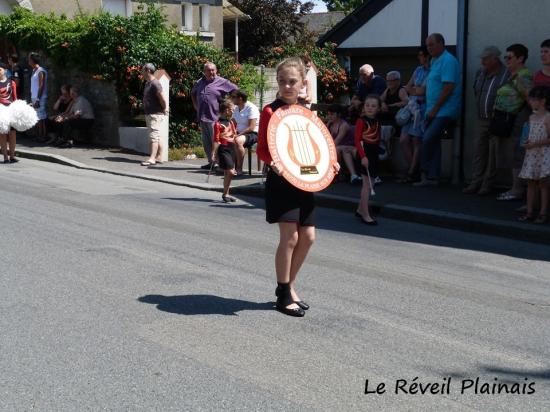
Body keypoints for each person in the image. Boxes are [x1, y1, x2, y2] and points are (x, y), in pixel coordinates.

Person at [257, 56, 340, 317]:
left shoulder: (305, 113)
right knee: (290, 237)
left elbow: (318, 146)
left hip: (303, 182)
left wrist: (330, 164)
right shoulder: (270, 111)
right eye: (282, 82)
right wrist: (273, 163)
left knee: (309, 237)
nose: (286, 86)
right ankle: (283, 293)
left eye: (292, 82)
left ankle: (289, 286)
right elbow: (262, 148)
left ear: (303, 83)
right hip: (281, 183)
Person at [414, 33, 461, 187]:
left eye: (432, 45)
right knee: (432, 141)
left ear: (441, 43)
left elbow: (448, 87)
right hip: (432, 109)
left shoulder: (448, 61)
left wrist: (435, 108)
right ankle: (433, 177)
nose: (429, 48)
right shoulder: (434, 60)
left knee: (427, 138)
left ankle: (424, 173)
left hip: (444, 110)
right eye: (427, 45)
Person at [463, 46, 510, 195]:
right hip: (480, 118)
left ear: (495, 59)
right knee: (479, 151)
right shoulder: (480, 73)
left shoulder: (506, 74)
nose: (482, 62)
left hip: (497, 120)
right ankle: (475, 182)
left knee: (493, 153)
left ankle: (486, 185)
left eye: (485, 59)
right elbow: (476, 90)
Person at [493, 44, 533, 201]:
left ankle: (517, 189)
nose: (506, 60)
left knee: (517, 154)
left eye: (510, 57)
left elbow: (530, 99)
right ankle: (515, 187)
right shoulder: (512, 75)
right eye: (505, 57)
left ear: (520, 58)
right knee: (511, 153)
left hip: (517, 120)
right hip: (507, 120)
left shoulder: (523, 76)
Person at [191, 62, 237, 169]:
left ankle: (221, 163)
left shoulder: (222, 82)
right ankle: (211, 162)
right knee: (206, 142)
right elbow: (193, 93)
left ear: (216, 71)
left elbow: (235, 90)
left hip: (215, 117)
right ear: (204, 71)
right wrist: (196, 106)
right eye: (209, 70)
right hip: (202, 116)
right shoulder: (200, 82)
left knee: (216, 141)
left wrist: (230, 105)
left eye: (213, 70)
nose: (211, 72)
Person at [517, 86, 550, 224]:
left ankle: (543, 212)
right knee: (530, 183)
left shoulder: (548, 117)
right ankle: (529, 211)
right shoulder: (531, 117)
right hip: (532, 152)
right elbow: (529, 134)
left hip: (543, 153)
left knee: (543, 184)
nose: (530, 102)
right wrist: (526, 142)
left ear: (542, 101)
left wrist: (535, 143)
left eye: (533, 99)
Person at [399, 46, 430, 182]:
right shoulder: (418, 70)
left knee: (416, 140)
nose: (419, 57)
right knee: (404, 139)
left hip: (422, 108)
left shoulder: (433, 71)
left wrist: (414, 90)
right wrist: (414, 90)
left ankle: (412, 172)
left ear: (427, 56)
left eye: (421, 55)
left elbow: (422, 92)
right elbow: (408, 87)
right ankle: (414, 169)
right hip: (412, 107)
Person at [354, 95, 381, 225]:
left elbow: (378, 138)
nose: (370, 108)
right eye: (367, 105)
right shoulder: (361, 121)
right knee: (367, 186)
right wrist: (363, 156)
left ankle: (360, 209)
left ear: (378, 108)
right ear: (364, 107)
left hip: (374, 154)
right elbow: (357, 140)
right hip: (365, 154)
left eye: (373, 106)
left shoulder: (377, 121)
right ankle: (365, 214)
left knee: (371, 183)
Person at [140, 63, 167, 166]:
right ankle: (159, 157)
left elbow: (163, 99)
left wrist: (164, 108)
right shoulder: (148, 83)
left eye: (143, 70)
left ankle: (152, 158)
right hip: (150, 113)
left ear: (148, 70)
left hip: (155, 114)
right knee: (157, 136)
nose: (141, 72)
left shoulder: (155, 83)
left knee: (153, 136)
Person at [326, 104, 361, 184]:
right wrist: (327, 125)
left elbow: (336, 141)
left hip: (351, 146)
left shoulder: (343, 125)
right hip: (342, 147)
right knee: (337, 150)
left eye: (332, 114)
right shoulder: (331, 124)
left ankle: (338, 174)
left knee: (336, 149)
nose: (329, 116)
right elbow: (328, 139)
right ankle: (340, 175)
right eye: (328, 114)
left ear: (338, 114)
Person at [212, 99, 238, 202]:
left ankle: (226, 194)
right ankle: (225, 193)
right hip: (223, 148)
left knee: (228, 173)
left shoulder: (231, 122)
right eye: (232, 109)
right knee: (230, 172)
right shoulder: (218, 124)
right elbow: (216, 139)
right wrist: (214, 153)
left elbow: (234, 134)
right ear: (227, 110)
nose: (233, 111)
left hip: (231, 148)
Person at [230, 89, 259, 175]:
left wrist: (237, 135)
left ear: (240, 98)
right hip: (239, 133)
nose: (232, 99)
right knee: (224, 139)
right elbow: (233, 123)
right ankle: (227, 167)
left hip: (253, 133)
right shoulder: (236, 108)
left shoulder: (251, 108)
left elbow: (251, 127)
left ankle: (239, 169)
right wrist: (229, 133)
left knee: (238, 141)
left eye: (234, 97)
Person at [0, 62, 18, 163]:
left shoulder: (12, 83)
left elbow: (15, 98)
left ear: (5, 71)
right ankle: (5, 157)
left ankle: (12, 156)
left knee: (12, 134)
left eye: (0, 69)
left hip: (10, 110)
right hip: (0, 111)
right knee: (2, 134)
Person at [28, 52, 48, 142]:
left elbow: (41, 85)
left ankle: (43, 136)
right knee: (37, 117)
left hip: (40, 97)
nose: (28, 61)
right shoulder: (33, 70)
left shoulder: (41, 71)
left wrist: (38, 99)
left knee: (41, 117)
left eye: (29, 59)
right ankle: (39, 135)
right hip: (34, 97)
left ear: (33, 60)